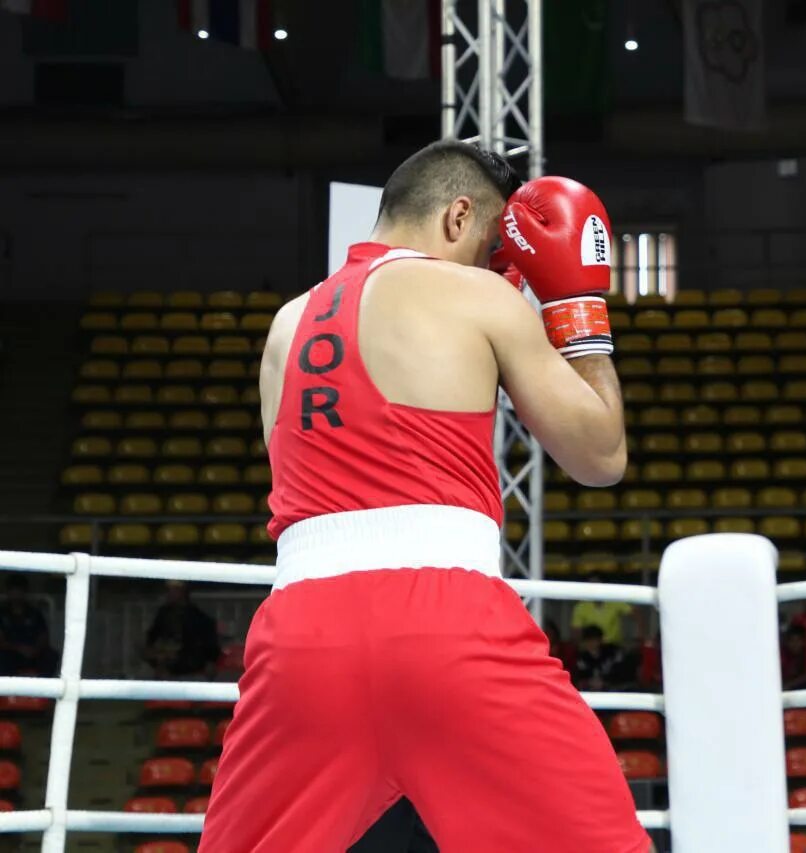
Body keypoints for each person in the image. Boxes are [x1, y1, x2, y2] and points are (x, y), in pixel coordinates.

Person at [200, 141, 651, 853]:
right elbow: (601, 455)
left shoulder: (286, 326)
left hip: (297, 640)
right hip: (445, 624)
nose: (500, 266)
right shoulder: (477, 294)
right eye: (491, 245)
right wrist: (574, 306)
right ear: (457, 214)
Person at [141, 580, 221, 679]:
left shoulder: (198, 617)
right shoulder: (164, 614)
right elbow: (152, 636)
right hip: (166, 658)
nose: (170, 594)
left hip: (189, 660)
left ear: (182, 592)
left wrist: (210, 660)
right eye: (169, 590)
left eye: (174, 590)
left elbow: (209, 642)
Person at [0, 575, 58, 677]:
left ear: (24, 592)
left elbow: (43, 637)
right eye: (13, 590)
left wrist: (34, 650)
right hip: (10, 653)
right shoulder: (2, 613)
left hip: (33, 653)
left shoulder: (34, 613)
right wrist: (19, 648)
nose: (16, 594)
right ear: (8, 592)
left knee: (51, 656)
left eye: (19, 590)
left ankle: (43, 690)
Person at [571, 572, 636, 645]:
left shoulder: (615, 600)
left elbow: (636, 614)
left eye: (597, 585)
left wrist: (642, 636)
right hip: (591, 647)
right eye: (591, 586)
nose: (594, 589)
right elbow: (576, 631)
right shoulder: (581, 606)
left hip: (613, 645)